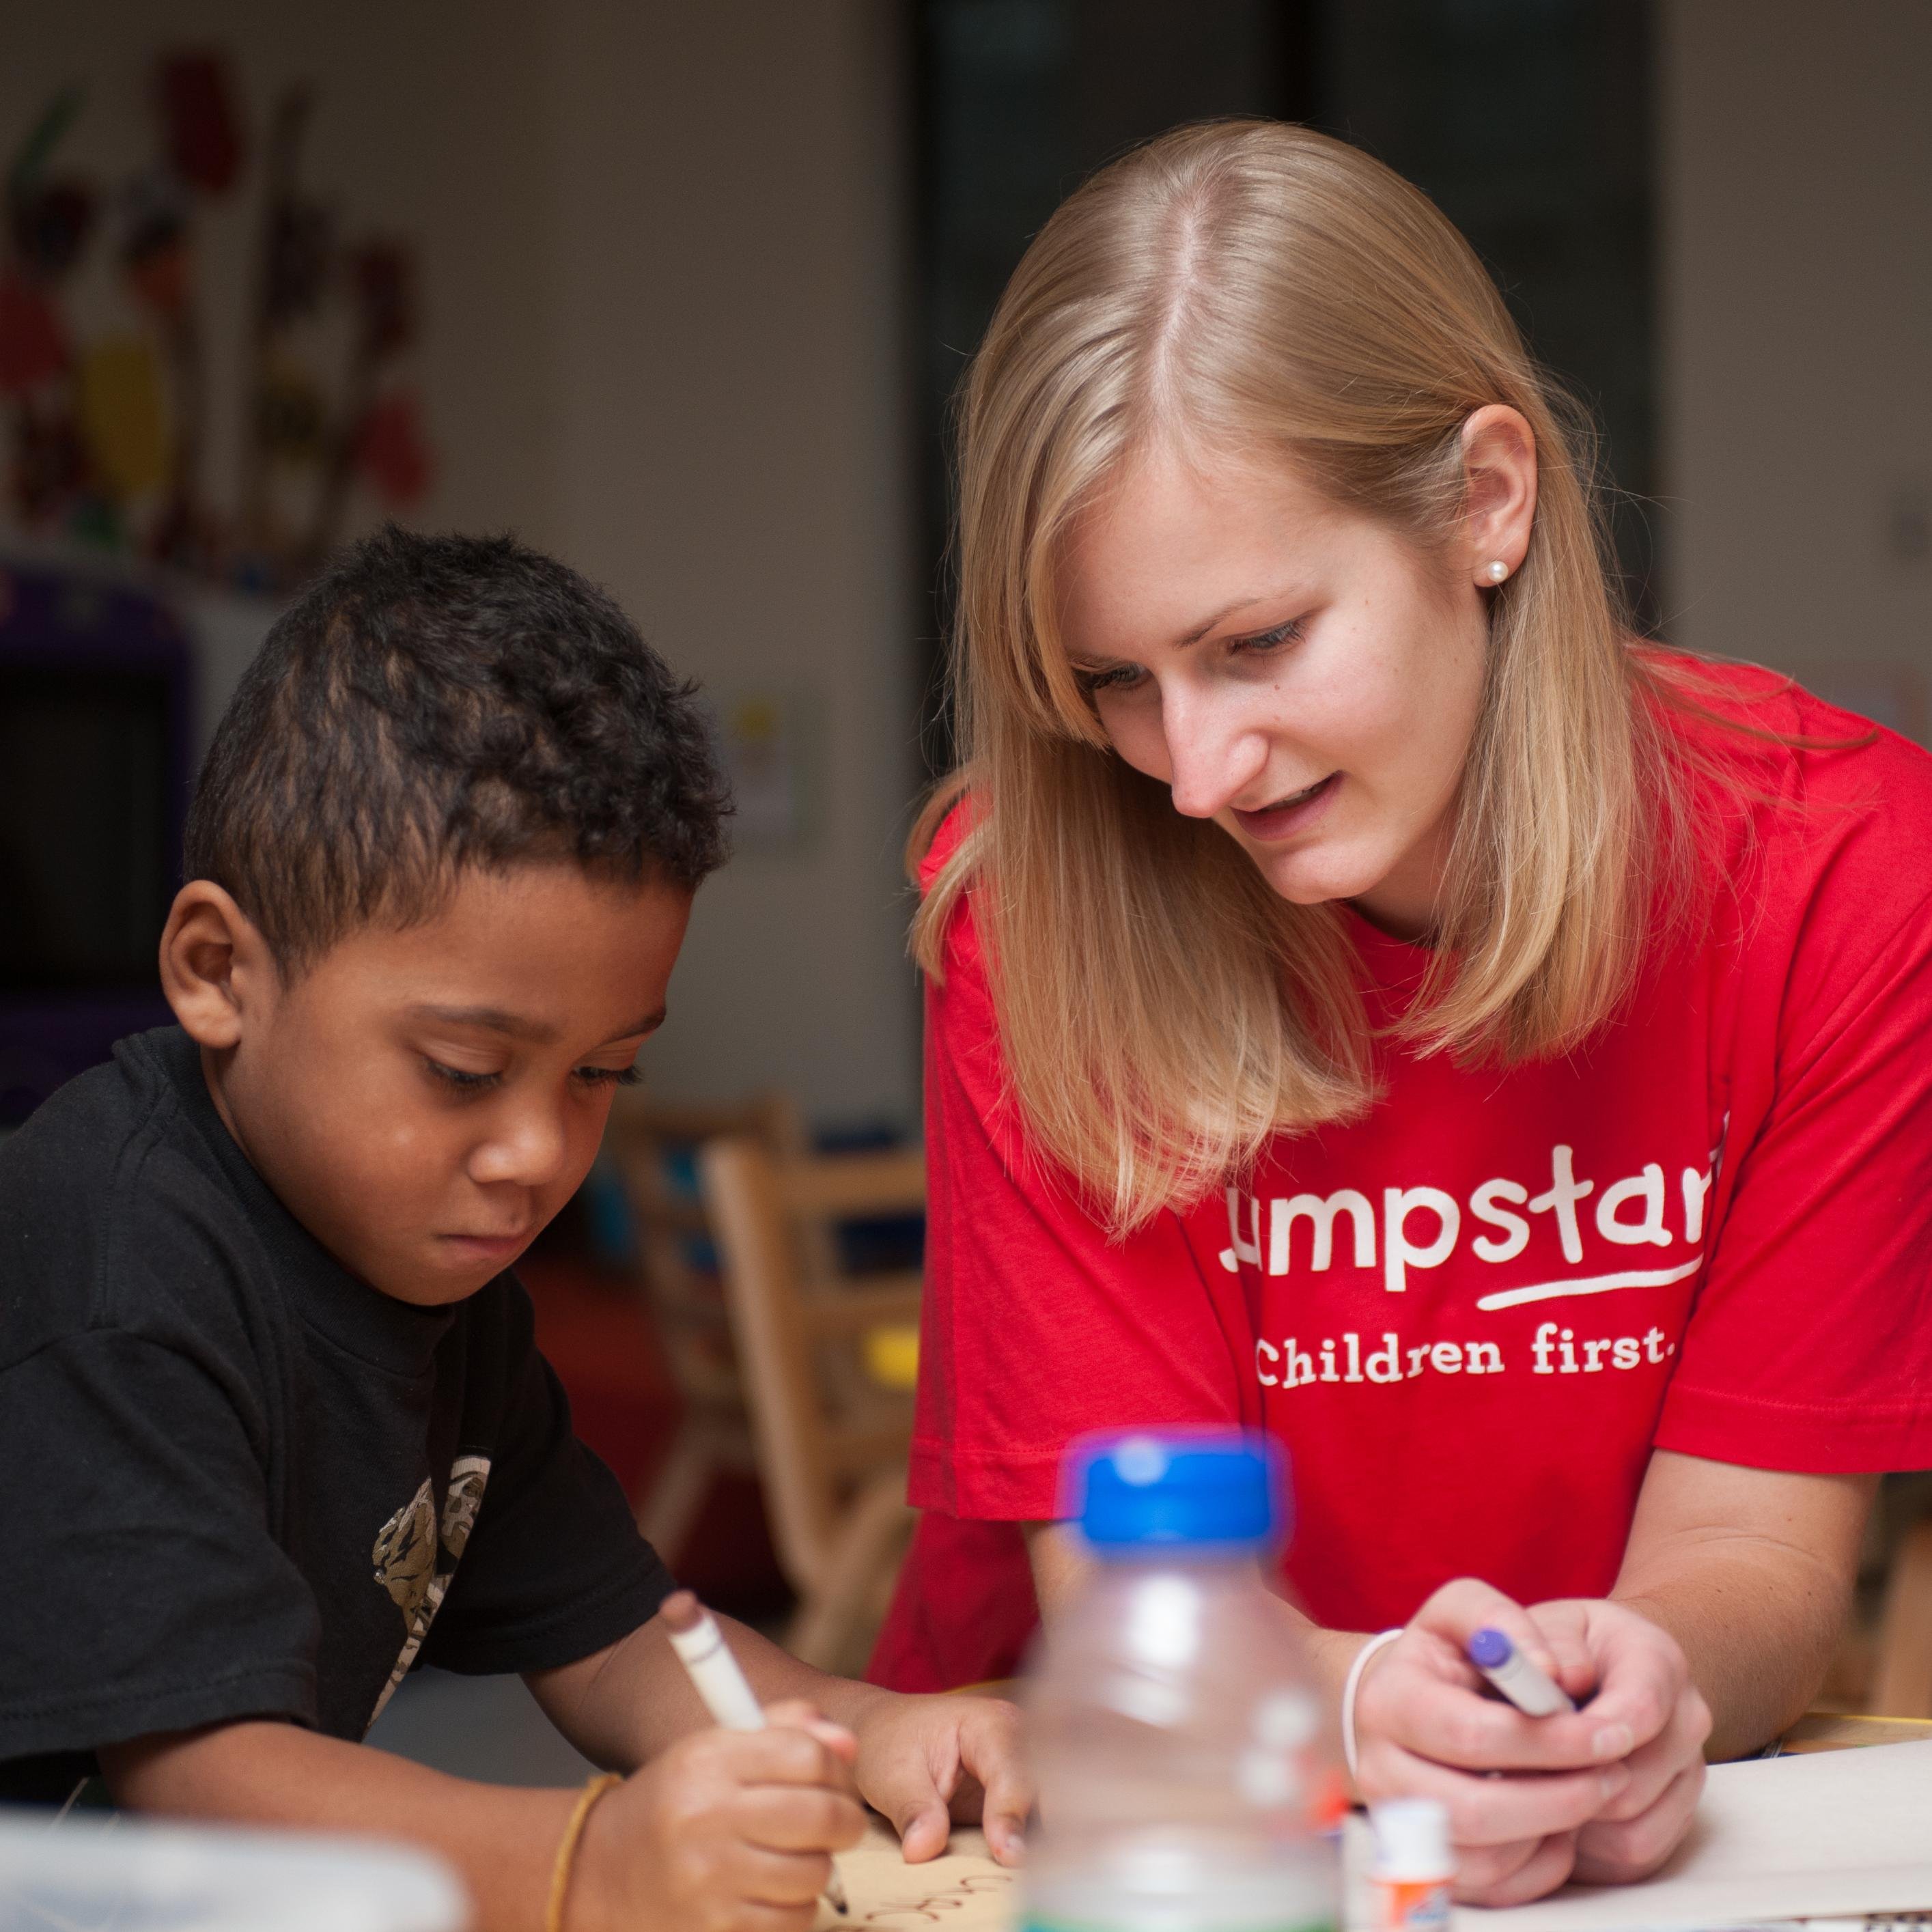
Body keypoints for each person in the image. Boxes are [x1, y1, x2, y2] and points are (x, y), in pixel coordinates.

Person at [867, 120, 1932, 1905]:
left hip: (1606, 1845)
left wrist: (1636, 1687)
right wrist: (1366, 1695)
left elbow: (1750, 1540)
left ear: (1484, 503)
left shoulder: (1844, 875)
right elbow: (1133, 1598)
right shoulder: (1033, 892)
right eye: (1115, 681)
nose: (1193, 771)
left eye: (1258, 639)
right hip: (1113, 1820)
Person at [0, 529, 1026, 1932]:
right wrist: (588, 1861)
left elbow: (617, 1641)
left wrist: (868, 1725)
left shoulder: (435, 1277)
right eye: (465, 1070)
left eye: (602, 1071)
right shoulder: (115, 1252)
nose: (540, 1151)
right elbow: (204, 1772)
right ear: (219, 971)